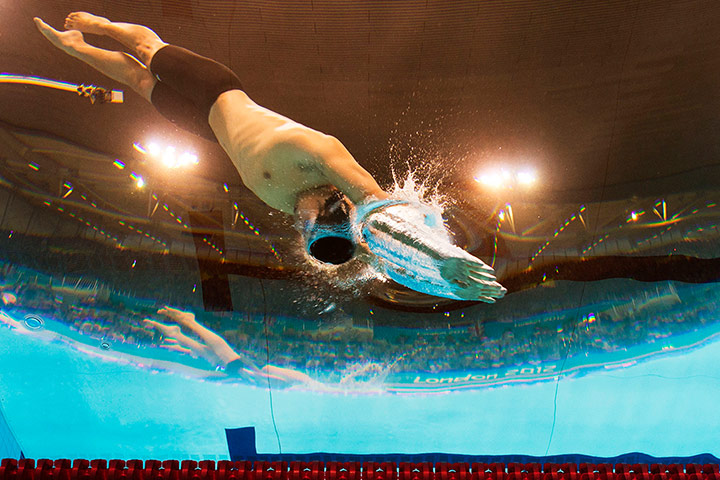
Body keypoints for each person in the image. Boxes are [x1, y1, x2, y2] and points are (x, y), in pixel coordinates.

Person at [33, 13, 506, 302]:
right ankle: (101, 26)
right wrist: (440, 252)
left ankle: (78, 48)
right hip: (218, 89)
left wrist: (438, 279)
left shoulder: (302, 208)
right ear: (329, 208)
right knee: (146, 49)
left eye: (304, 230)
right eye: (308, 223)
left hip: (209, 130)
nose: (298, 224)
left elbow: (375, 250)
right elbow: (383, 209)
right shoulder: (325, 157)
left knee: (140, 84)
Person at [143, 306, 317, 386]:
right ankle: (190, 323)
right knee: (229, 359)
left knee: (219, 358)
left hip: (274, 377)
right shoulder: (313, 387)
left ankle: (177, 333)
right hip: (280, 379)